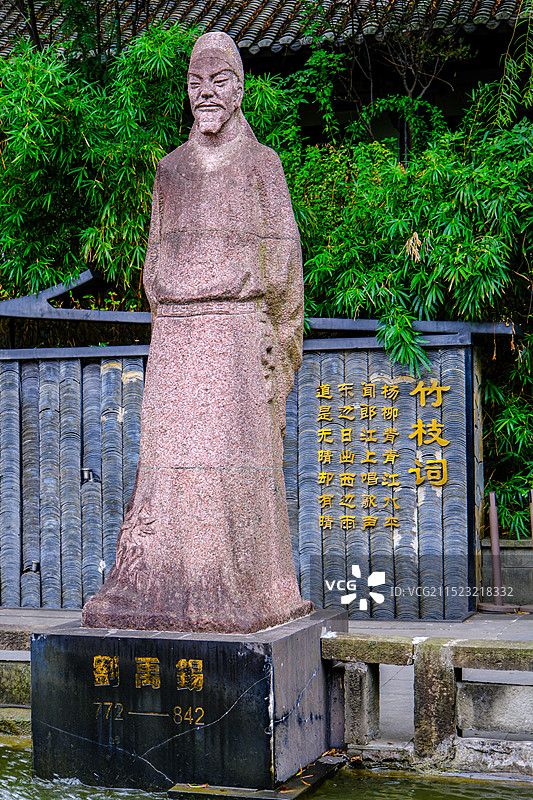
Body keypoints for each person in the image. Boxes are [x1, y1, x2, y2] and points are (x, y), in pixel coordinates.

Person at [82, 32, 313, 633]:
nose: (206, 94)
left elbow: (285, 265)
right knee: (167, 471)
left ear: (240, 88)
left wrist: (279, 342)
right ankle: (159, 578)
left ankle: (242, 585)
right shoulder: (170, 170)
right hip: (177, 337)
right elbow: (154, 260)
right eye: (195, 84)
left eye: (219, 81)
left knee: (230, 471)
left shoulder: (262, 166)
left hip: (237, 336)